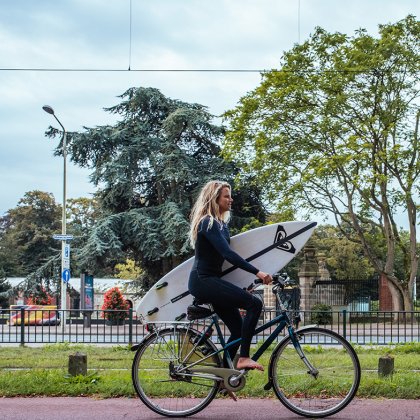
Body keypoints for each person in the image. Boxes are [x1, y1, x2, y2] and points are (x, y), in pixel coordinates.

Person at [188, 180, 272, 372]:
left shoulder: (220, 224)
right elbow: (228, 255)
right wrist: (257, 271)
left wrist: (245, 283)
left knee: (237, 328)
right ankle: (243, 357)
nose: (231, 199)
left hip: (211, 281)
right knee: (255, 304)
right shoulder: (207, 222)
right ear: (215, 198)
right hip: (203, 281)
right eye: (226, 196)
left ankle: (225, 377)